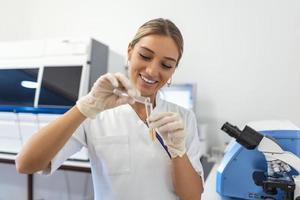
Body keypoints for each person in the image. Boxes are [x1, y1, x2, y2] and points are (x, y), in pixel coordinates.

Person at [16, 18, 204, 200]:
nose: (152, 71)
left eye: (166, 65)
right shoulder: (96, 112)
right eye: (145, 56)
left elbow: (193, 196)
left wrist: (179, 152)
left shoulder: (183, 119)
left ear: (173, 71)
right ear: (130, 51)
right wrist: (84, 107)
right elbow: (26, 164)